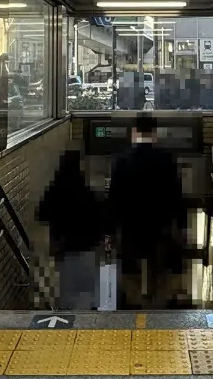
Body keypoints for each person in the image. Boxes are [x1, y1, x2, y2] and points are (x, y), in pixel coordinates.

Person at [108, 115, 187, 308]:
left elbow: (114, 198)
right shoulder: (167, 159)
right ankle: (156, 309)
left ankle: (135, 307)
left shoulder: (121, 160)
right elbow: (176, 195)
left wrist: (110, 230)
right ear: (154, 132)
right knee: (158, 271)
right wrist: (181, 225)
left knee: (131, 272)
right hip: (159, 228)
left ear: (134, 132)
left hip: (130, 228)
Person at [36, 149, 102, 310]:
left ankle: (68, 315)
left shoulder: (54, 190)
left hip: (64, 249)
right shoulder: (86, 191)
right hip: (87, 247)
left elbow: (41, 215)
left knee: (67, 291)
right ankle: (88, 316)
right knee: (87, 290)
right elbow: (98, 219)